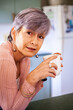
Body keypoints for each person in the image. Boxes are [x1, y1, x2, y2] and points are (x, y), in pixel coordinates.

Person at [0, 8, 63, 110]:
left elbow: (23, 98)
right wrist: (32, 78)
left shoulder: (24, 59)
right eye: (29, 33)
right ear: (14, 33)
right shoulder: (4, 59)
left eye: (41, 36)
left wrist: (39, 77)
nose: (35, 42)